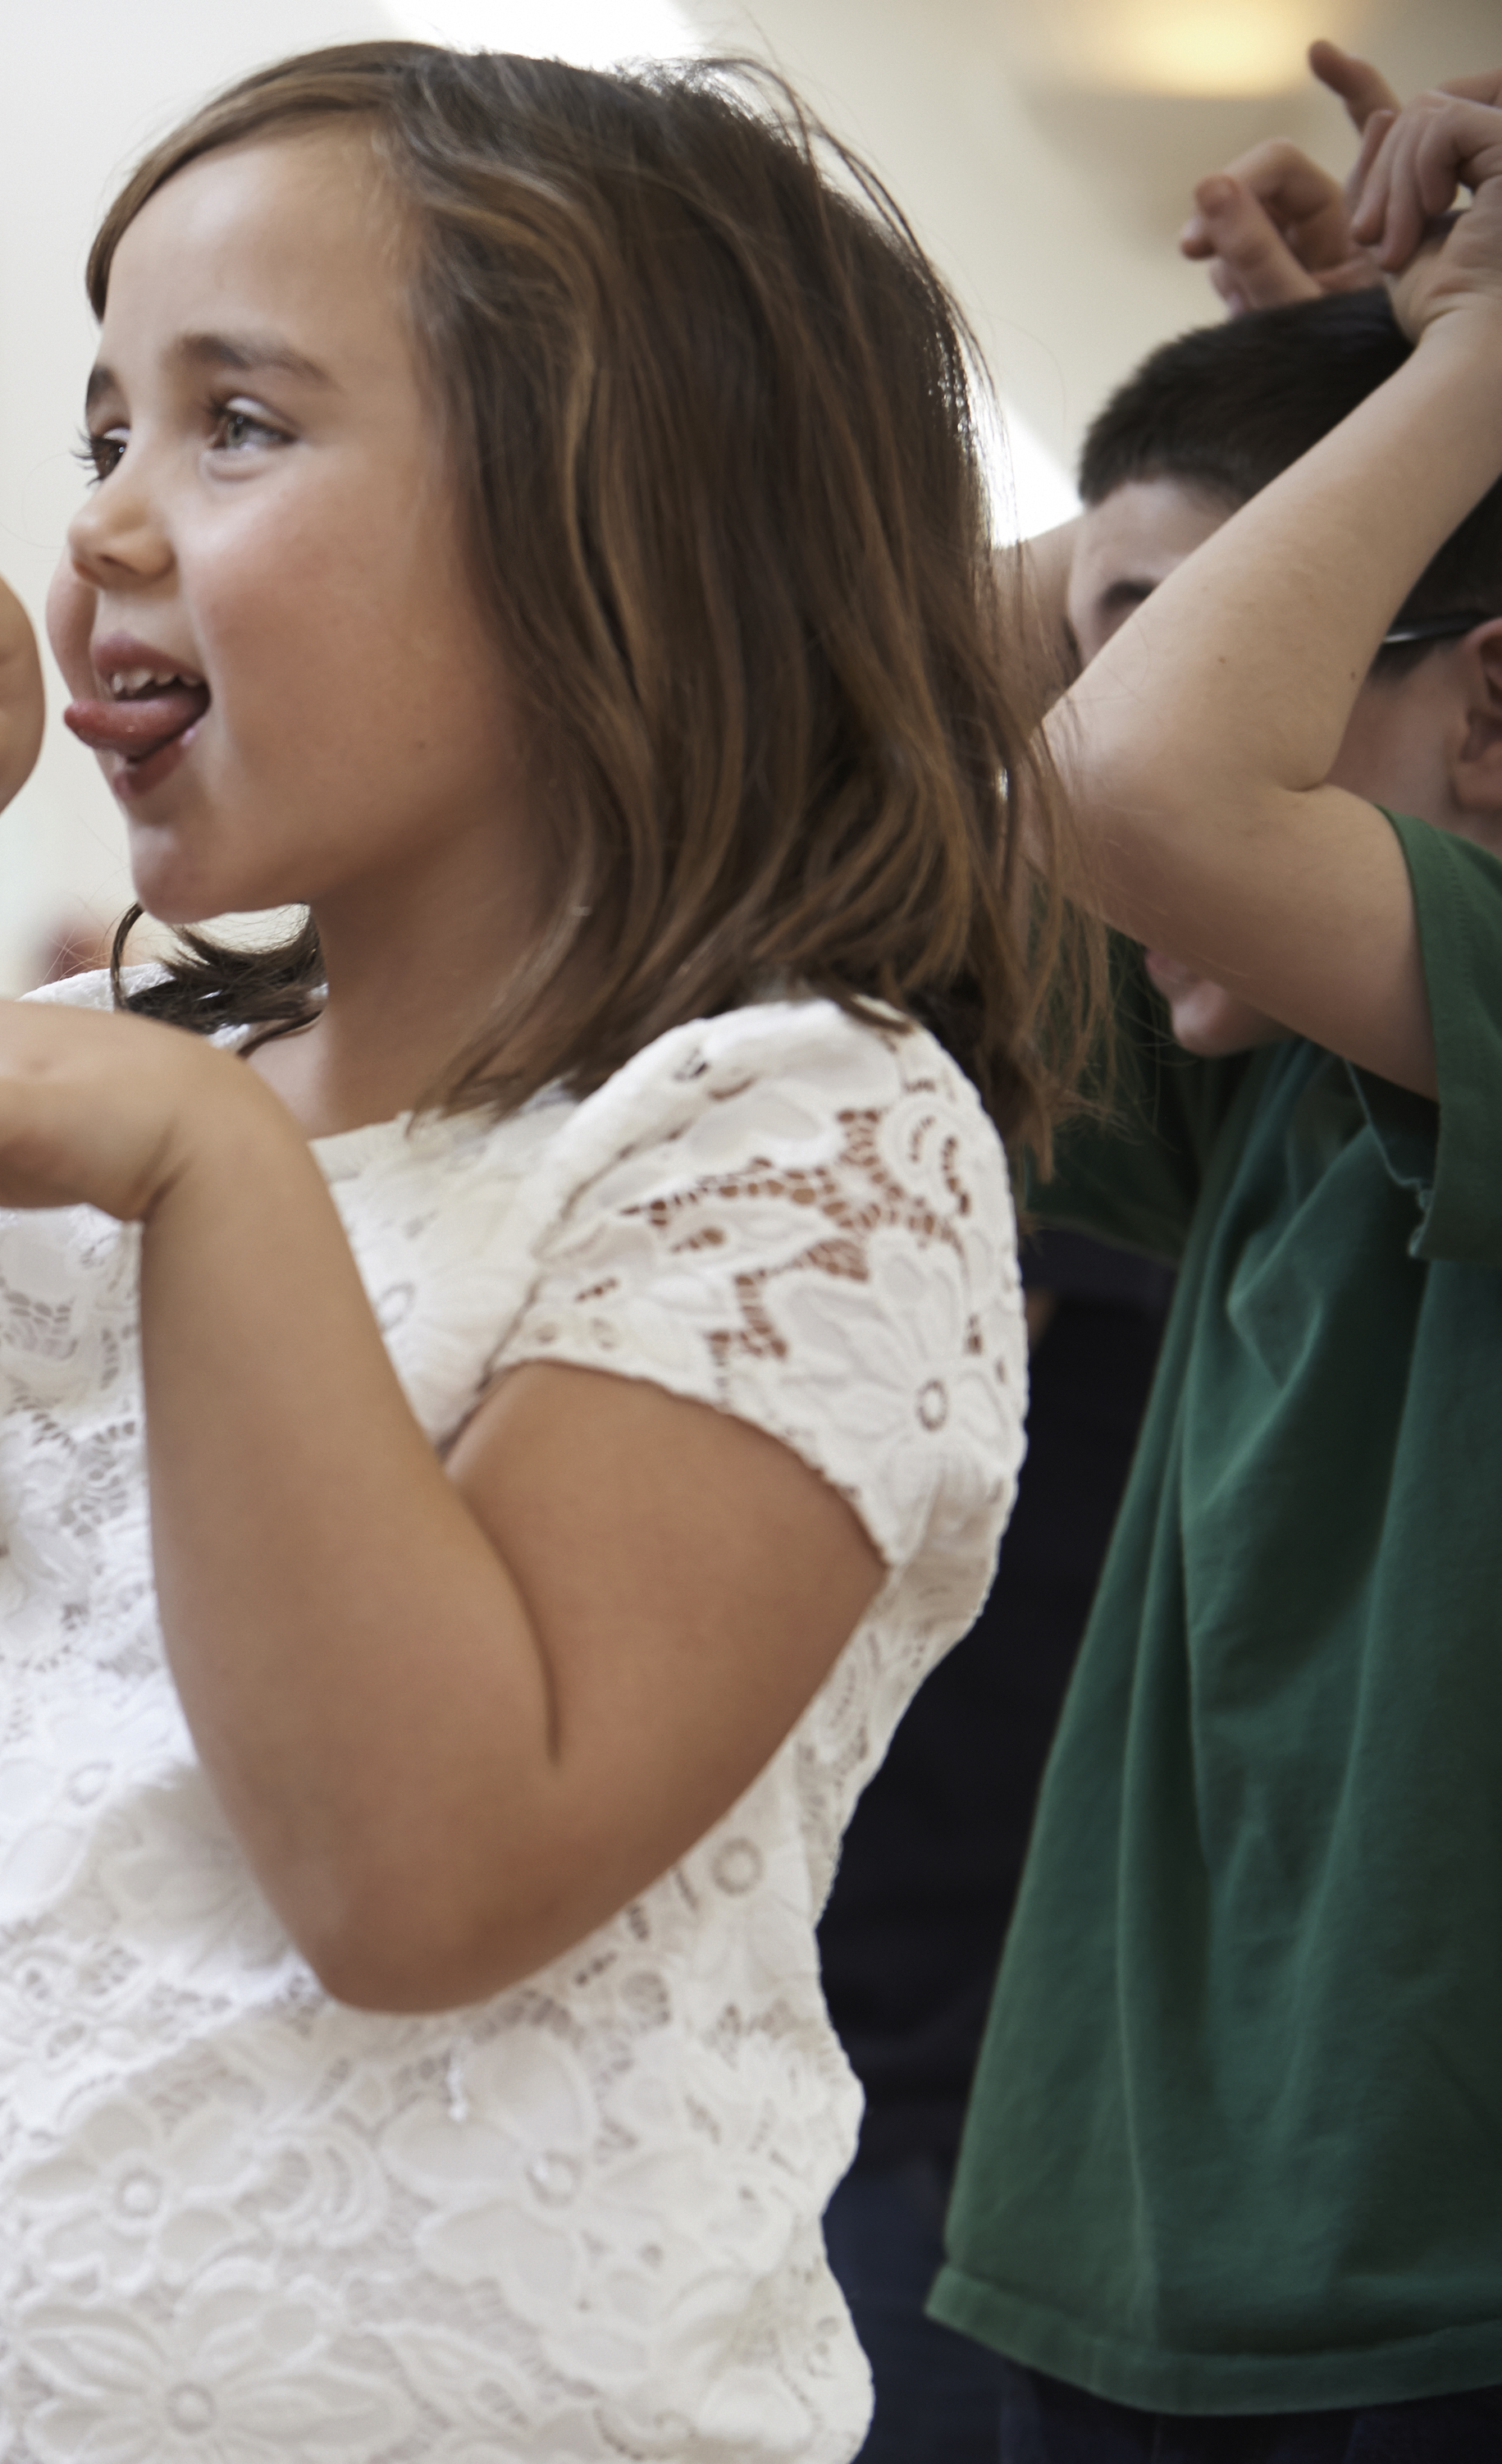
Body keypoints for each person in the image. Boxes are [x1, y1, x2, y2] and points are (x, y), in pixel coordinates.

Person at [0, 39, 1071, 2463]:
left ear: (623, 525)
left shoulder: (791, 1126)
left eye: (239, 426)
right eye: (100, 430)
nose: (98, 524)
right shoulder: (138, 1082)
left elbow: (420, 1871)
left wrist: (207, 1176)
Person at [926, 81, 1502, 2459]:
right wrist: (1362, 365)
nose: (1094, 706)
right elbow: (881, 673)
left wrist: (1466, 370)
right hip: (1111, 2261)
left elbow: (1132, 783)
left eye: (1186, 641)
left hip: (1421, 2309)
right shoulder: (1236, 1063)